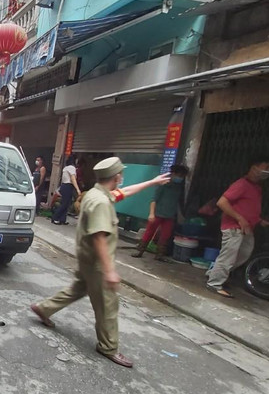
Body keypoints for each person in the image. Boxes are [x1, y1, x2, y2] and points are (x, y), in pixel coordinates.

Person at [29, 157, 170, 368]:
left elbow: (126, 192)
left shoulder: (96, 194)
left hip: (87, 259)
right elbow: (99, 237)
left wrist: (152, 182)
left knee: (78, 289)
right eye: (121, 175)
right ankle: (108, 347)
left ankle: (44, 308)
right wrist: (109, 271)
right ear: (116, 177)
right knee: (107, 306)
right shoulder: (101, 202)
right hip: (97, 263)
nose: (122, 178)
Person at [205, 156, 269, 298]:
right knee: (228, 257)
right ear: (254, 167)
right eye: (266, 167)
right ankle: (214, 283)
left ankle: (214, 273)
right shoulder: (241, 184)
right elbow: (222, 202)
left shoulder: (256, 187)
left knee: (243, 254)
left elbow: (248, 208)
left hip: (246, 228)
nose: (268, 171)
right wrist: (240, 218)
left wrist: (259, 221)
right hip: (234, 227)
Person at [132, 164, 189, 261]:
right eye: (179, 175)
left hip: (170, 215)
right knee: (149, 233)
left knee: (165, 236)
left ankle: (160, 255)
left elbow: (180, 202)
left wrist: (181, 215)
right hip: (157, 214)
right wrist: (151, 213)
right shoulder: (164, 184)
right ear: (173, 174)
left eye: (182, 176)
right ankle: (140, 251)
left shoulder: (179, 187)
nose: (180, 178)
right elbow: (154, 200)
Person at [51, 155, 81, 225]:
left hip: (64, 186)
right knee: (65, 204)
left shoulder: (65, 168)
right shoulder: (72, 168)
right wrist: (77, 189)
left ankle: (62, 219)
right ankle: (55, 218)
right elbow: (73, 179)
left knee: (66, 204)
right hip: (68, 186)